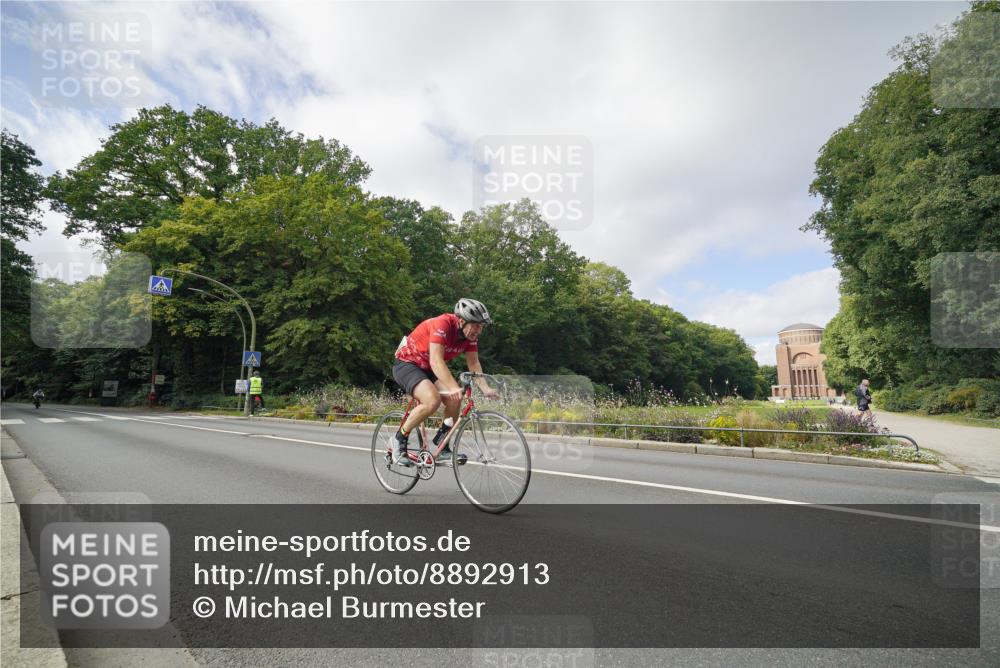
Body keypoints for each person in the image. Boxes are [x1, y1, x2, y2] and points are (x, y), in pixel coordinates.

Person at [391, 298, 500, 466]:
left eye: (482, 326)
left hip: (427, 368)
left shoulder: (470, 336)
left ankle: (442, 446)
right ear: (462, 320)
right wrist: (452, 386)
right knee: (432, 400)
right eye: (476, 325)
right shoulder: (442, 324)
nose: (479, 330)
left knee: (454, 398)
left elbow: (474, 364)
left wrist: (485, 388)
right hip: (408, 364)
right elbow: (436, 360)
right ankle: (399, 439)